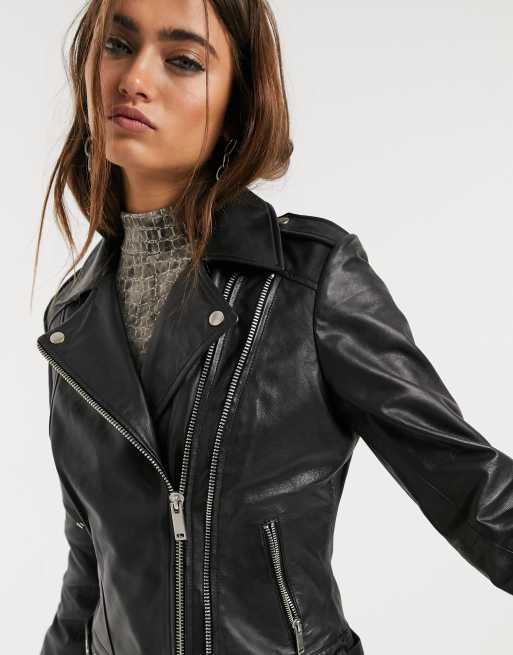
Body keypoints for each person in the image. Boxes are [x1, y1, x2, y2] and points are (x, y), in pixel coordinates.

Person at [34, 1, 513, 655]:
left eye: (182, 60)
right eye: (118, 46)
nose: (135, 78)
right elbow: (90, 574)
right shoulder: (72, 320)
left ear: (238, 105)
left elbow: (474, 493)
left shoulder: (308, 284)